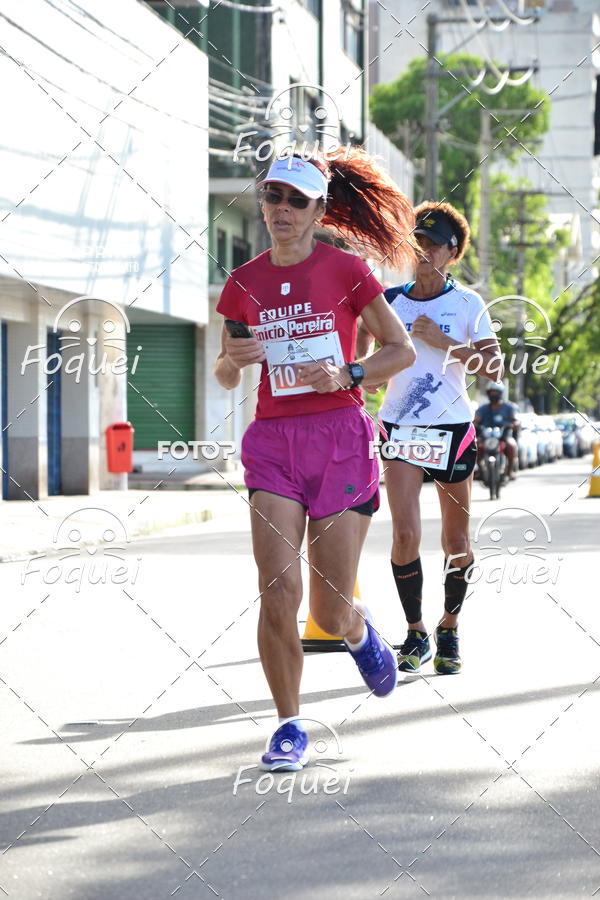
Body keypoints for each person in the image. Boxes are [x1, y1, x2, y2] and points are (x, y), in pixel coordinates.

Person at [214, 151, 416, 770]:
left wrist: (348, 373)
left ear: (319, 210)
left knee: (327, 609)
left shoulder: (347, 271)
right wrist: (232, 363)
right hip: (273, 442)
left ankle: (357, 630)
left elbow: (400, 350)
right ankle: (288, 725)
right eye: (274, 196)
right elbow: (225, 371)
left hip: (340, 439)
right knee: (277, 588)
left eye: (297, 200)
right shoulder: (243, 282)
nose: (282, 209)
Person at [357, 201, 502, 675]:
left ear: (452, 253)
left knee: (456, 539)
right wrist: (368, 375)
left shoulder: (468, 304)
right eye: (417, 241)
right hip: (400, 426)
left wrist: (444, 342)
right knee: (404, 533)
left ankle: (449, 627)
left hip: (452, 428)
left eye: (434, 245)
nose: (423, 251)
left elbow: (495, 368)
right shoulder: (388, 300)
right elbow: (366, 348)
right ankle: (416, 631)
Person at [474, 382, 520, 479]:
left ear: (501, 393)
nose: (494, 394)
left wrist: (515, 423)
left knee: (512, 446)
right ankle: (480, 470)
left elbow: (515, 419)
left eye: (496, 392)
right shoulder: (483, 408)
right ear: (488, 393)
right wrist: (473, 424)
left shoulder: (509, 407)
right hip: (486, 437)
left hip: (504, 437)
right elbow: (476, 420)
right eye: (492, 392)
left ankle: (509, 471)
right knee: (475, 445)